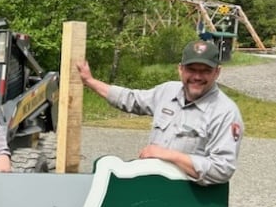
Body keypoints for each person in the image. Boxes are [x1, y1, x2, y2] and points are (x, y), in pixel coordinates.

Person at [76, 39, 243, 186]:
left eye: (205, 70)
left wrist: (167, 155)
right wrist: (90, 81)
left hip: (191, 202)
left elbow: (222, 169)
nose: (197, 76)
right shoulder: (167, 91)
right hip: (153, 190)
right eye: (191, 69)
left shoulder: (225, 112)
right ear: (180, 69)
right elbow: (130, 99)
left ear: (217, 72)